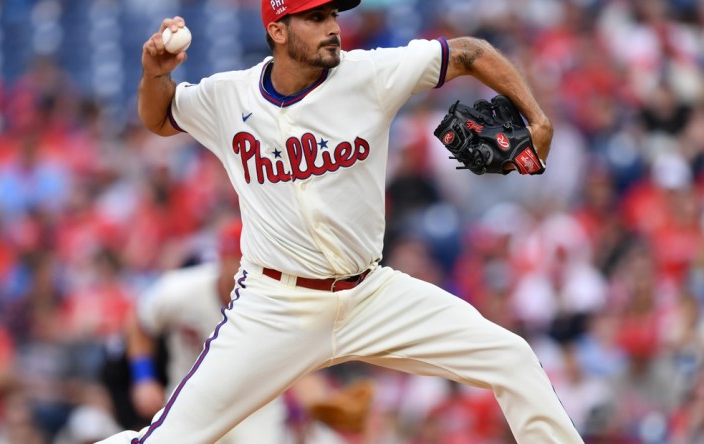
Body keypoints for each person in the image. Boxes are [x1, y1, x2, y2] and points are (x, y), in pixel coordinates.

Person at [101, 0, 584, 442]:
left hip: (370, 295)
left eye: (333, 15)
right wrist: (154, 75)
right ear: (279, 30)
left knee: (511, 357)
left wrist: (537, 119)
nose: (333, 27)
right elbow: (159, 117)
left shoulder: (369, 74)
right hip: (275, 307)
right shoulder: (228, 97)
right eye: (316, 18)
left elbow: (470, 52)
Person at [125, 219, 366, 443]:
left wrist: (319, 400)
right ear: (222, 257)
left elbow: (294, 360)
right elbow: (141, 321)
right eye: (241, 259)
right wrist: (143, 377)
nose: (249, 268)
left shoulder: (276, 302)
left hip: (253, 408)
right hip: (190, 397)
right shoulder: (181, 291)